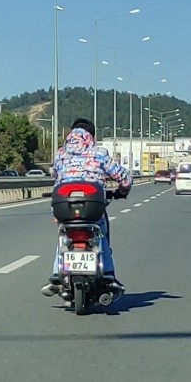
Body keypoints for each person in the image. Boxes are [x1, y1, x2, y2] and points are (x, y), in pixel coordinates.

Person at [43, 118, 132, 298]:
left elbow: (57, 178)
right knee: (101, 233)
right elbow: (125, 178)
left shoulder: (60, 154)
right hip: (93, 205)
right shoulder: (99, 154)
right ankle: (108, 274)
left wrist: (56, 211)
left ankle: (56, 274)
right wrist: (122, 191)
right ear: (92, 136)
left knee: (63, 234)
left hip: (64, 204)